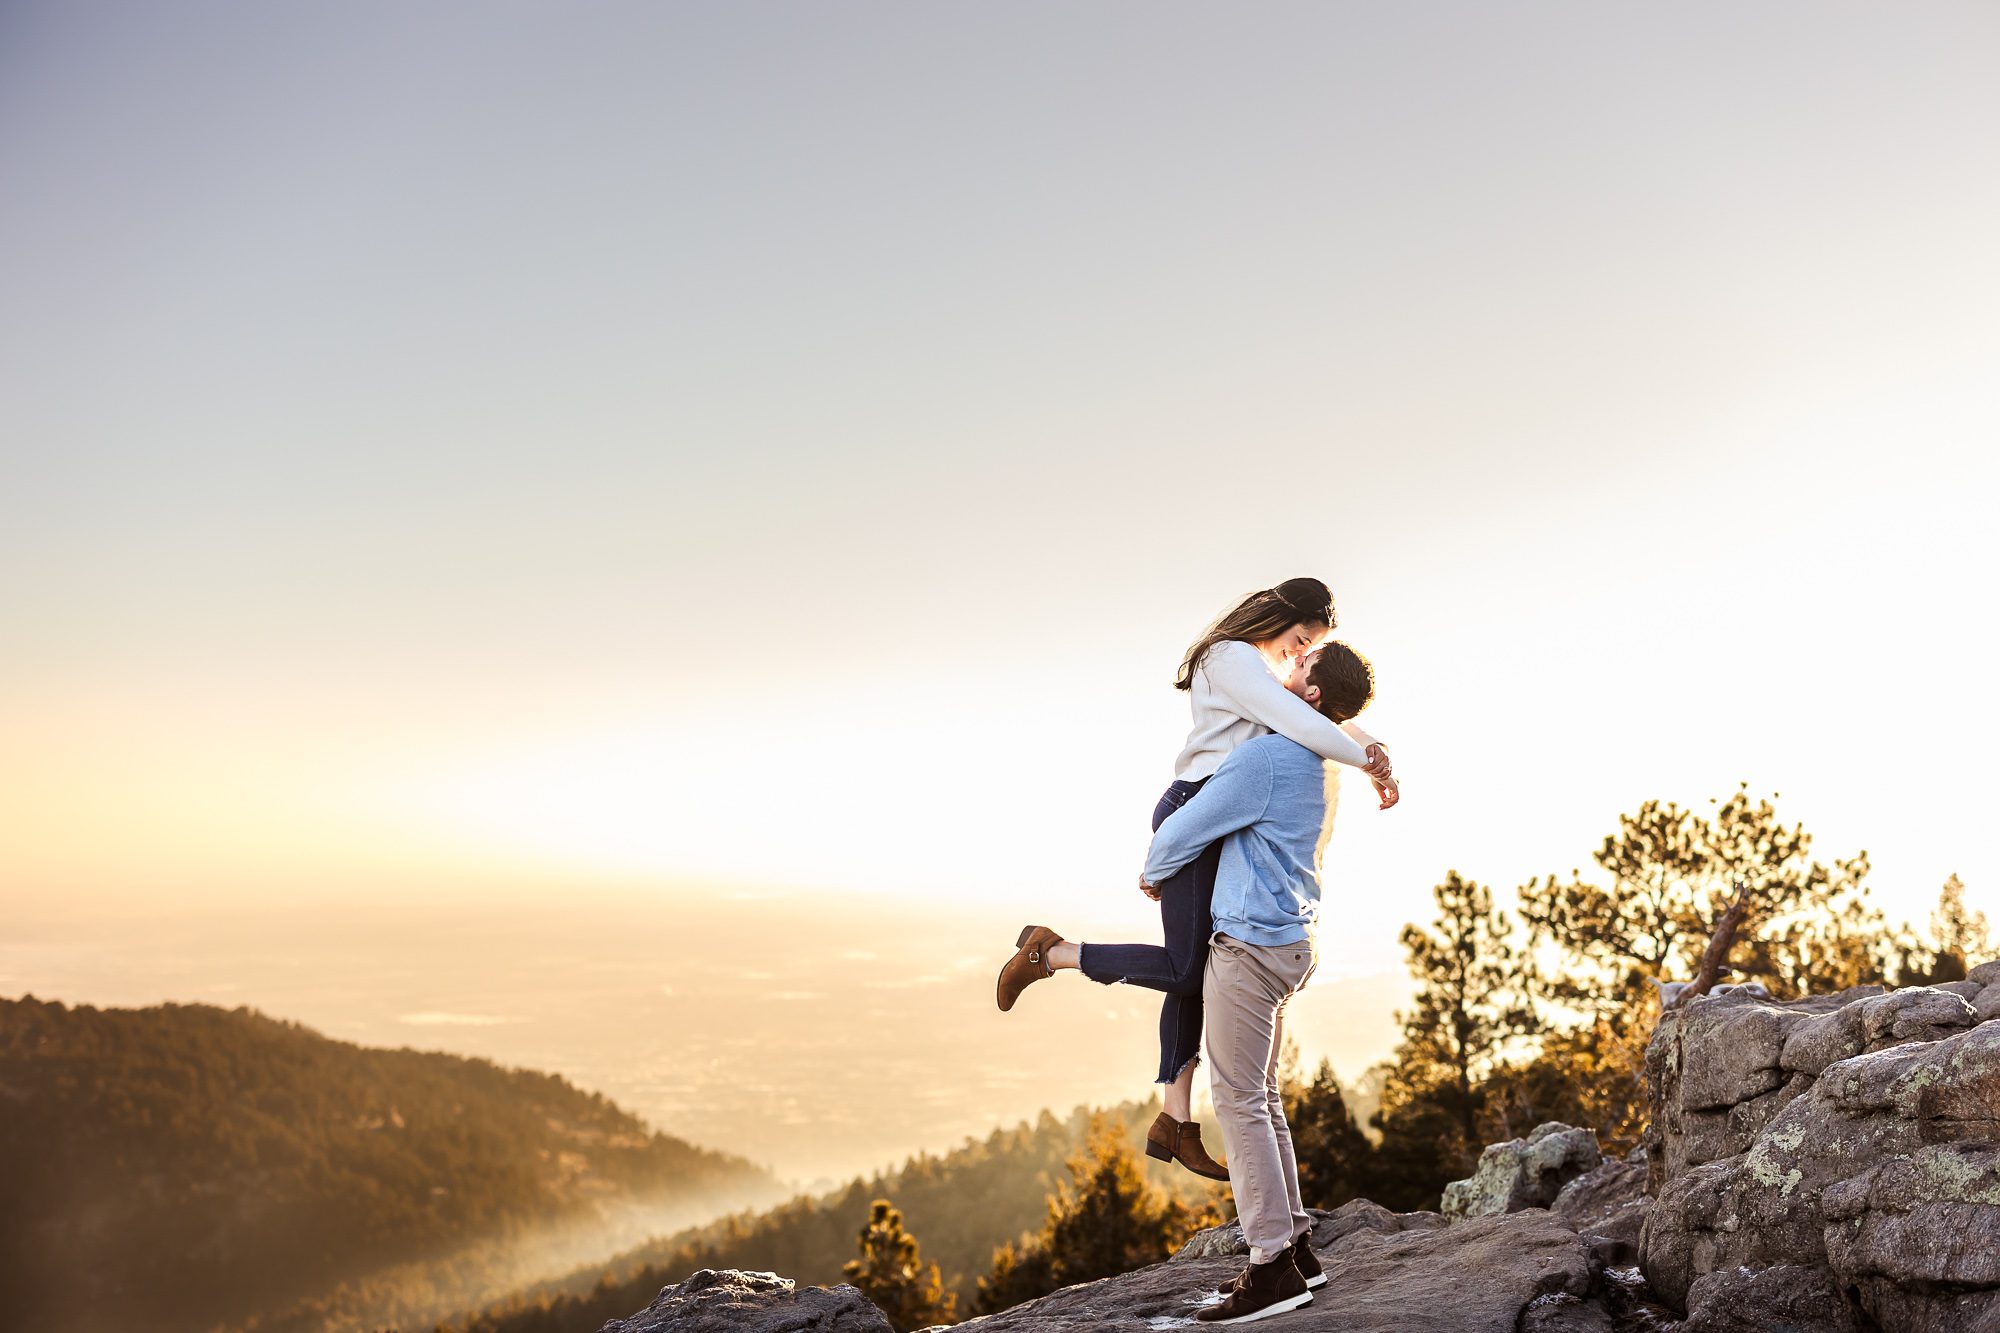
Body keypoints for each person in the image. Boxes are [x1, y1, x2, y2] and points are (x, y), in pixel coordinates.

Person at [994, 578, 1397, 1181]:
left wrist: (1375, 746)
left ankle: (1175, 1120)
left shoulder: (1264, 670)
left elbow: (1316, 711)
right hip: (1197, 810)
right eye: (1304, 638)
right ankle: (1051, 953)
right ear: (1287, 617)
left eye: (1311, 647)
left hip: (1225, 813)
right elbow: (1303, 715)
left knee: (1196, 965)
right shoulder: (1230, 657)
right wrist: (1366, 760)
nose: (1301, 650)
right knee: (1189, 969)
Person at [1145, 640, 1376, 1323]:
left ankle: (1270, 1262)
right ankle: (1297, 1245)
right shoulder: (1324, 764)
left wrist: (1159, 866)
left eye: (1296, 668)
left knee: (1239, 1100)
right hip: (1289, 944)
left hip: (1248, 947)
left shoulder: (1265, 758)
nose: (1281, 673)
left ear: (1307, 695)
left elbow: (1175, 838)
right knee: (1262, 1095)